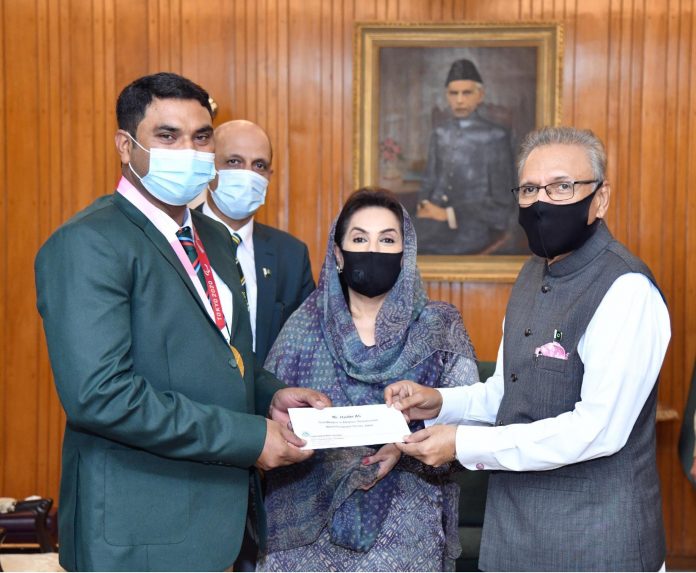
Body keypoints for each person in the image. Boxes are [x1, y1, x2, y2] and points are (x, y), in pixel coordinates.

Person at [34, 72, 329, 572]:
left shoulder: (214, 239)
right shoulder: (89, 243)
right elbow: (102, 396)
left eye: (202, 137)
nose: (189, 151)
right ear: (125, 146)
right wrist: (249, 438)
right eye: (168, 136)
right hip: (138, 531)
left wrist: (270, 396)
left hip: (221, 522)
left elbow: (221, 356)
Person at [386, 127, 671, 571]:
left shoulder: (627, 289)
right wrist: (440, 403)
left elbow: (597, 430)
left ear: (600, 199)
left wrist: (463, 443)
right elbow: (506, 394)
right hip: (514, 539)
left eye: (561, 187)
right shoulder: (528, 277)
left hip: (596, 545)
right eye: (530, 189)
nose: (542, 202)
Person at [256, 188, 479, 572]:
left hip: (406, 526)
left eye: (387, 240)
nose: (373, 250)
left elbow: (470, 419)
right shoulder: (303, 327)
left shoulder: (439, 326)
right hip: (308, 532)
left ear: (405, 253)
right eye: (360, 239)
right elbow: (270, 418)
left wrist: (406, 445)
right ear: (338, 254)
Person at [200, 119, 315, 364]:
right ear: (209, 166)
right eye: (234, 162)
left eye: (259, 165)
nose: (248, 174)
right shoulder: (178, 238)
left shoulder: (292, 255)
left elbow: (308, 345)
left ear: (269, 176)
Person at [415, 58, 516, 254]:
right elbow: (428, 181)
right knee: (398, 243)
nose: (459, 100)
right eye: (454, 93)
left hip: (473, 227)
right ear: (447, 96)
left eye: (467, 93)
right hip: (431, 221)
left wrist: (449, 214)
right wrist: (424, 205)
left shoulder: (496, 136)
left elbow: (503, 202)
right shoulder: (440, 133)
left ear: (480, 95)